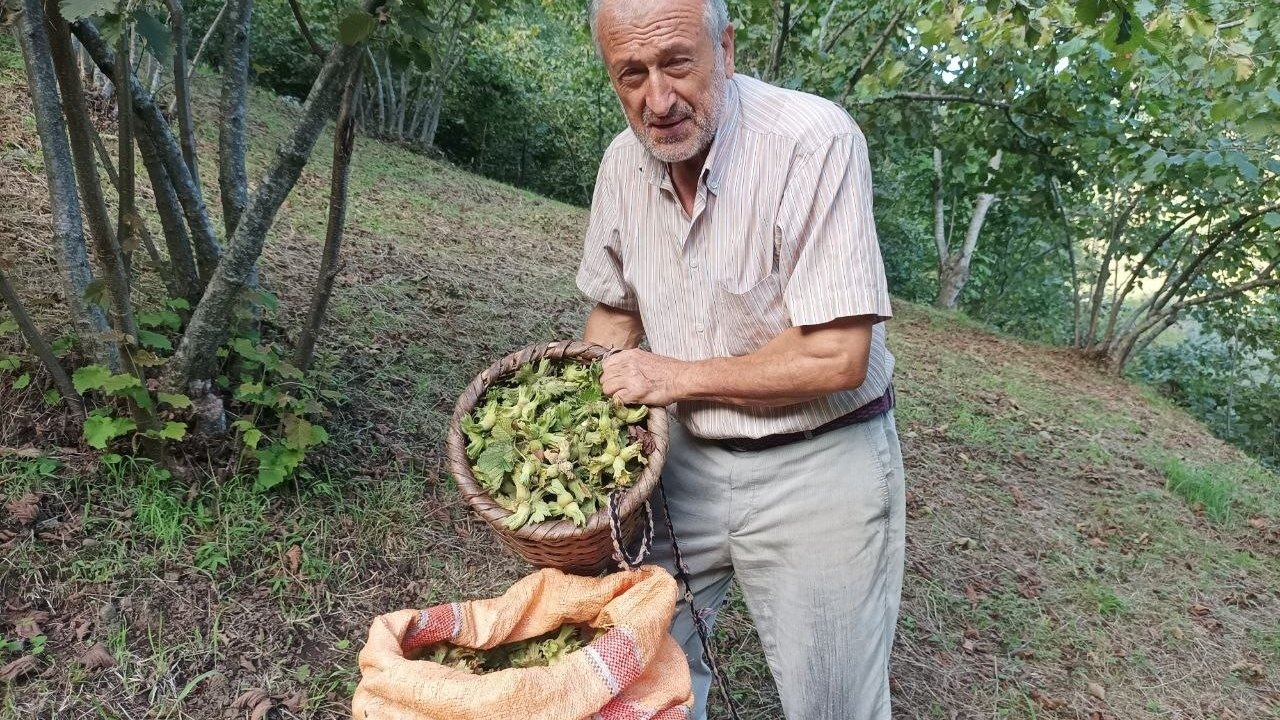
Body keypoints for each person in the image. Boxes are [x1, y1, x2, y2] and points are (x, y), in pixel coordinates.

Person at [575, 0, 906, 717]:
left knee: (833, 702)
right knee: (639, 676)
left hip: (819, 464)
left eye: (677, 63)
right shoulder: (620, 165)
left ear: (725, 47)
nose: (657, 100)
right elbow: (615, 307)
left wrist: (673, 377)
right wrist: (577, 418)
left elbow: (837, 354)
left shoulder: (812, 142)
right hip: (682, 461)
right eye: (631, 74)